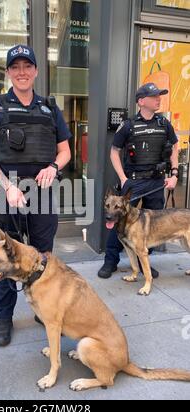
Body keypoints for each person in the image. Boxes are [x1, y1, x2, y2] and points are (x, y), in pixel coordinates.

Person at [0, 44, 71, 346]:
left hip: (41, 194)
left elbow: (65, 150)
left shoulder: (49, 108)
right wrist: (7, 185)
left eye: (27, 66)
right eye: (15, 67)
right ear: (8, 73)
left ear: (36, 71)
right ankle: (3, 316)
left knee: (43, 257)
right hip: (8, 194)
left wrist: (54, 167)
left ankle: (44, 308)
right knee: (6, 258)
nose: (22, 72)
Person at [98, 82, 179, 279]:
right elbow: (114, 152)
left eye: (159, 96)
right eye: (154, 96)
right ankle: (110, 262)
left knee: (151, 227)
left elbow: (175, 146)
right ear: (141, 101)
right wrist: (124, 178)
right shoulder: (128, 125)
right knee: (119, 222)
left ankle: (145, 264)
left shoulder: (163, 123)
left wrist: (174, 174)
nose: (158, 99)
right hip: (133, 183)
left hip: (157, 182)